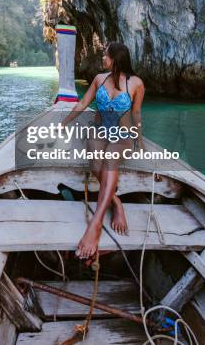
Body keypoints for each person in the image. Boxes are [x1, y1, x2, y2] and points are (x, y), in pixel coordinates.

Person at [61, 41, 145, 260]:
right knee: (95, 160)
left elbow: (136, 115)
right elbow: (82, 104)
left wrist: (140, 142)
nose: (102, 59)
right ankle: (116, 202)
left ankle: (95, 225)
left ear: (115, 58)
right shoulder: (99, 79)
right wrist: (64, 122)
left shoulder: (135, 83)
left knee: (109, 160)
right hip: (99, 131)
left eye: (105, 56)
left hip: (122, 136)